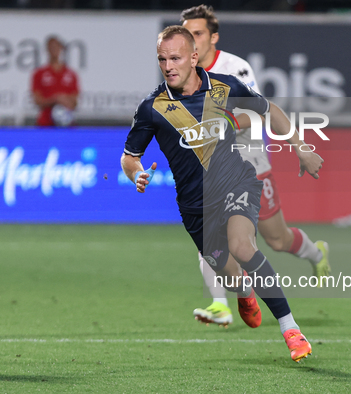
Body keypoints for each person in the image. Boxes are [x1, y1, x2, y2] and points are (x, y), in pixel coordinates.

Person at [121, 25, 324, 362]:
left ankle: (291, 329)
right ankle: (244, 291)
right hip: (195, 205)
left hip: (236, 182)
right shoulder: (152, 107)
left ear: (193, 57)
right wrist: (137, 175)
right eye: (162, 59)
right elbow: (130, 156)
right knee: (228, 272)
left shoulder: (223, 87)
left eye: (175, 57)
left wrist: (301, 147)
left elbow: (268, 109)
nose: (168, 65)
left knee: (244, 247)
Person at [180, 5, 330, 327]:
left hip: (250, 160)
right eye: (186, 34)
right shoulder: (181, 73)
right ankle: (220, 304)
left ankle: (317, 253)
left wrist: (224, 122)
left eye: (197, 33)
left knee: (277, 239)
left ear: (213, 37)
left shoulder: (236, 68)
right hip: (214, 169)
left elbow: (259, 114)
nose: (190, 40)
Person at [31, 36, 79, 127]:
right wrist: (55, 99)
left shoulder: (71, 74)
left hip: (67, 123)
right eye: (51, 47)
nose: (54, 50)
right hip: (45, 124)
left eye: (56, 47)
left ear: (61, 48)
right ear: (47, 49)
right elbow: (37, 101)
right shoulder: (39, 74)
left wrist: (64, 101)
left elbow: (74, 103)